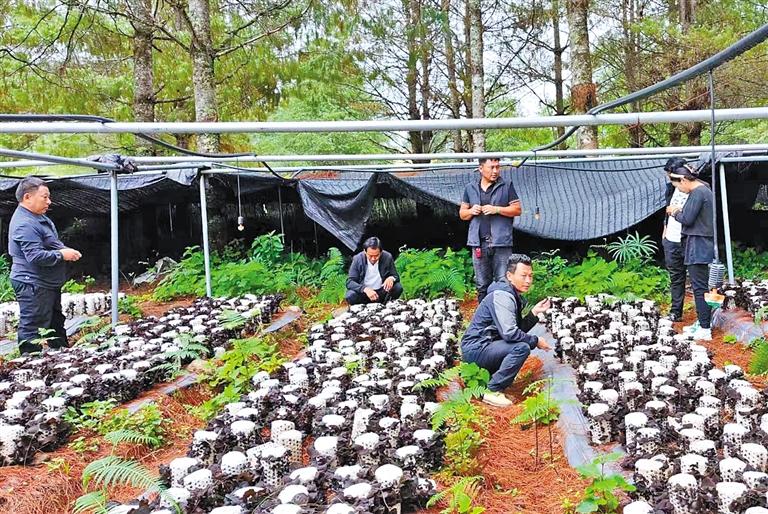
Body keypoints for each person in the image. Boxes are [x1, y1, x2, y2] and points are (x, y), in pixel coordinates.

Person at [460, 254, 551, 408]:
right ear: (509, 275)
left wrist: (534, 313)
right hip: (477, 348)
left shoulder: (510, 293)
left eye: (530, 276)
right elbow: (510, 334)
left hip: (486, 346)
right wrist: (535, 341)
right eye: (523, 276)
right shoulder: (503, 296)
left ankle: (493, 385)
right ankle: (493, 390)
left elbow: (514, 331)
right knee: (521, 348)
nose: (528, 280)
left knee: (520, 344)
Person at [9, 177, 82, 354]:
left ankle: (62, 356)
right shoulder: (24, 224)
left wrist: (64, 249)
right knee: (32, 326)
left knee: (55, 322)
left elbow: (51, 241)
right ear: (27, 197)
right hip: (32, 283)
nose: (49, 201)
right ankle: (29, 361)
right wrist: (61, 255)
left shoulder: (38, 217)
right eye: (45, 197)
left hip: (45, 282)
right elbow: (35, 256)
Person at [460, 157, 522, 302]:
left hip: (501, 243)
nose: (495, 171)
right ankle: (484, 313)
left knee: (504, 282)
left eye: (497, 167)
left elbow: (517, 209)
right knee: (482, 284)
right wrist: (471, 211)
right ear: (481, 169)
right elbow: (462, 214)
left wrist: (497, 209)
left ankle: (504, 312)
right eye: (491, 167)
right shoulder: (470, 188)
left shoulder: (506, 185)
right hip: (478, 243)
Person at [667, 164, 714, 341]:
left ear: (684, 180)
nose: (680, 190)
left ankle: (705, 328)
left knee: (699, 288)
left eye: (678, 186)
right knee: (699, 286)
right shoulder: (703, 189)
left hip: (698, 244)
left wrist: (674, 212)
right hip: (698, 243)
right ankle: (702, 322)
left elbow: (687, 218)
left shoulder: (698, 193)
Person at [662, 157, 690, 322]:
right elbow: (667, 210)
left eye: (671, 175)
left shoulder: (696, 189)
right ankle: (676, 312)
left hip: (689, 239)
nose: (669, 179)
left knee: (697, 278)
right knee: (676, 277)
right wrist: (665, 229)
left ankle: (704, 315)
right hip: (671, 239)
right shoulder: (670, 188)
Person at [345, 237, 403, 305]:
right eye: (370, 256)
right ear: (365, 252)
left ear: (381, 252)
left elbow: (396, 276)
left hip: (381, 291)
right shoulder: (358, 259)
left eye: (376, 255)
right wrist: (365, 289)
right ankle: (360, 308)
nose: (373, 259)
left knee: (398, 287)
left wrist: (391, 278)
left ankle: (388, 304)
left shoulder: (387, 257)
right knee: (350, 295)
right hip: (364, 293)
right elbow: (350, 282)